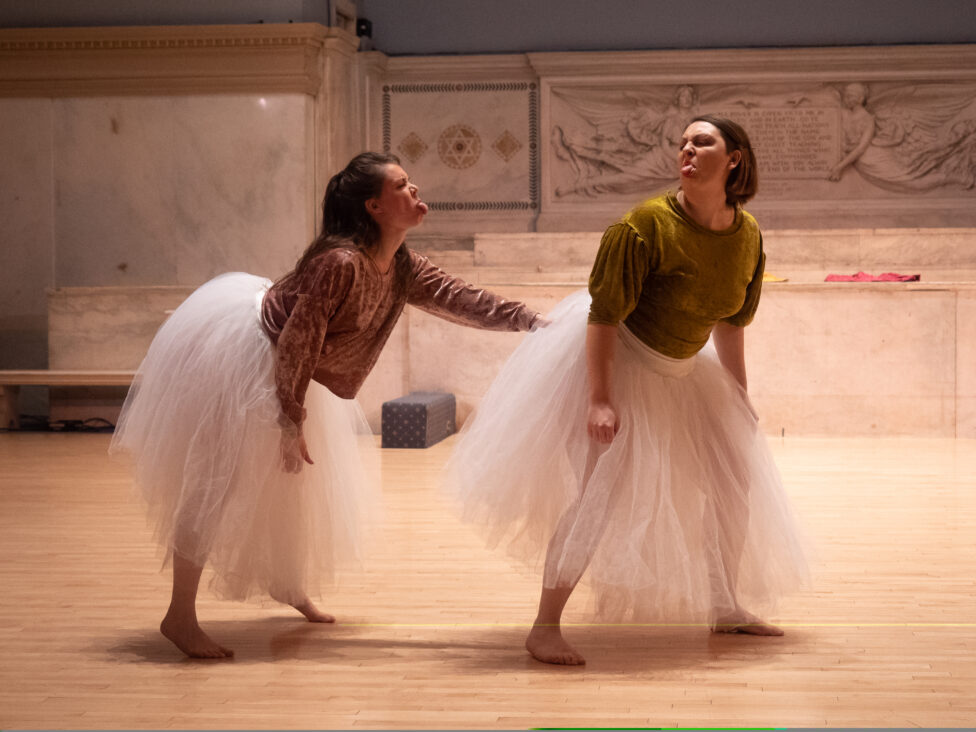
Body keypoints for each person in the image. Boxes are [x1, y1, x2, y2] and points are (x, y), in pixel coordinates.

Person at [110, 152, 543, 659]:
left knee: (293, 486)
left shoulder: (400, 263)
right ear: (375, 206)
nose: (415, 189)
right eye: (402, 185)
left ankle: (286, 585)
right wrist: (290, 418)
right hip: (249, 362)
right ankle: (179, 617)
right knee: (217, 480)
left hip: (296, 367)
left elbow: (461, 298)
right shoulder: (338, 263)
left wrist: (533, 322)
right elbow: (298, 340)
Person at [445, 116, 808, 666]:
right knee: (599, 494)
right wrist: (600, 398)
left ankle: (725, 604)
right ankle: (545, 626)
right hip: (625, 363)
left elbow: (732, 323)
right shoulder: (644, 225)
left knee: (734, 481)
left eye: (702, 142)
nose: (687, 150)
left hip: (688, 373)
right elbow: (605, 318)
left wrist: (738, 395)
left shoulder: (748, 235)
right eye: (682, 143)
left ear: (735, 158)